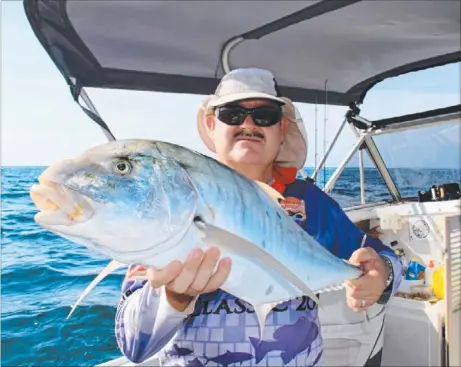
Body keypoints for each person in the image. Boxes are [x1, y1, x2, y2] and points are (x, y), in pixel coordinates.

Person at [115, 68, 403, 366]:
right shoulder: (178, 202)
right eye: (232, 114)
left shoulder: (312, 203)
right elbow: (134, 344)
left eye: (264, 115)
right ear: (212, 125)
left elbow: (382, 257)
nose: (248, 124)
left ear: (281, 130)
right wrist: (174, 297)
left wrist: (382, 273)